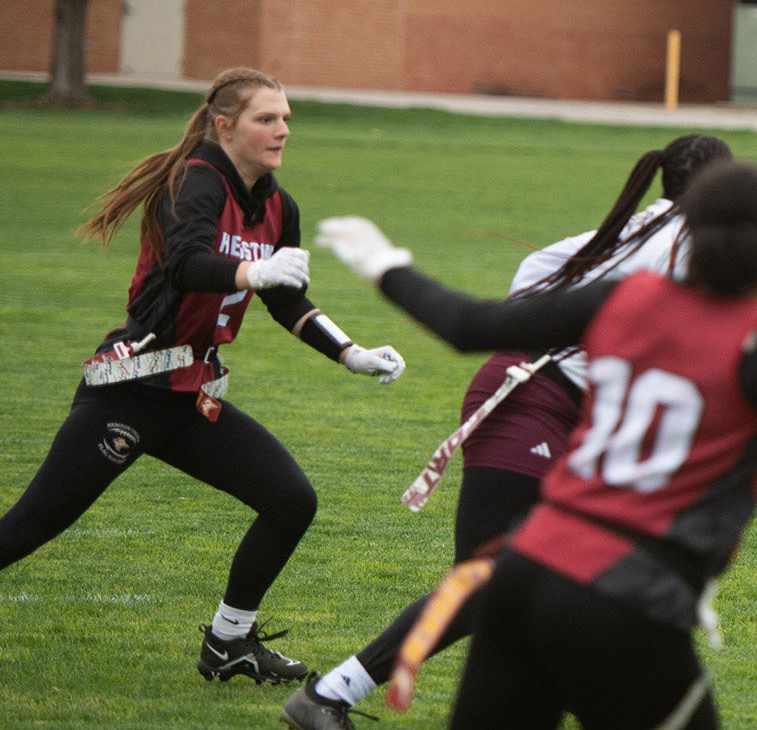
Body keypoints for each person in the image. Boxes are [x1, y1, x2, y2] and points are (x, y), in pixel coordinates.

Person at [314, 160, 757, 729]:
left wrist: (386, 265)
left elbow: (467, 325)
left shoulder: (626, 298)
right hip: (623, 595)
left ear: (687, 230)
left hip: (521, 572)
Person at [279, 134, 733, 729]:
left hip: (553, 403)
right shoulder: (683, 244)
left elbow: (535, 268)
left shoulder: (646, 227)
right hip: (532, 404)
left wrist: (552, 326)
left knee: (558, 581)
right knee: (489, 581)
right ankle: (328, 696)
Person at [0, 68, 407, 685]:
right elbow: (188, 263)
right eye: (266, 119)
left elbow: (288, 300)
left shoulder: (277, 204)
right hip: (135, 386)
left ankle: (227, 645)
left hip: (194, 396)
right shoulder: (195, 180)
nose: (282, 130)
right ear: (225, 126)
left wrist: (351, 352)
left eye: (287, 118)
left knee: (290, 500)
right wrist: (251, 274)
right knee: (32, 524)